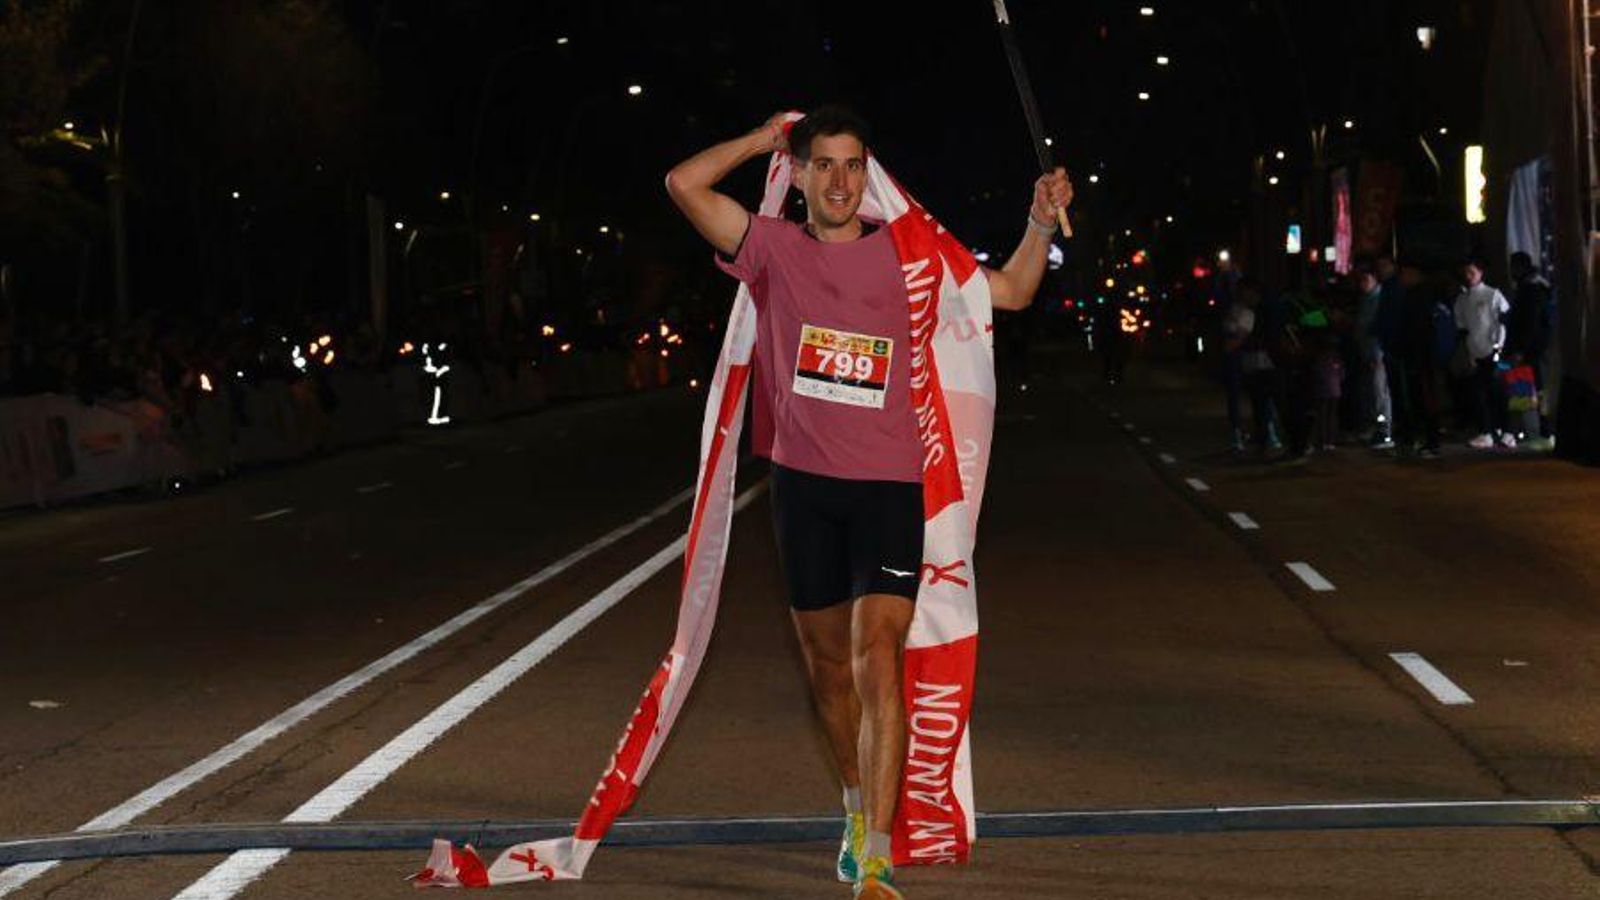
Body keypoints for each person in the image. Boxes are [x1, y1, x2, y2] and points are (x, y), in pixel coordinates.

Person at [664, 106, 1071, 900]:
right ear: (804, 174)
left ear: (869, 174)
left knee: (876, 657)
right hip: (803, 491)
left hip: (890, 488)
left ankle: (878, 854)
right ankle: (855, 803)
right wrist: (757, 140)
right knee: (827, 672)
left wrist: (1038, 218)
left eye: (854, 165)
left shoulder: (910, 255)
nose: (841, 181)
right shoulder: (771, 250)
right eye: (825, 166)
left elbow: (1016, 290)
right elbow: (683, 183)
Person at [1452, 256, 1513, 449]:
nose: (1469, 277)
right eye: (1466, 273)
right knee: (1479, 393)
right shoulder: (1462, 299)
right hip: (1475, 353)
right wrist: (1468, 354)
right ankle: (1487, 431)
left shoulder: (1492, 294)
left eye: (1473, 272)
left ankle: (1507, 431)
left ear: (1480, 273)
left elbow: (1502, 322)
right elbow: (1462, 328)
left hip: (1494, 351)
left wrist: (1498, 349)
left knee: (1499, 392)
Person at [1505, 251, 1555, 448]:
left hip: (1529, 350)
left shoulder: (1530, 290)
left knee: (1527, 390)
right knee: (1529, 390)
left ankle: (1539, 430)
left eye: (1514, 267)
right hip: (1534, 349)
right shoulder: (1536, 286)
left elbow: (1529, 323)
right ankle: (1529, 429)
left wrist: (1519, 349)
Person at [1353, 263, 1395, 448]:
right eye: (1361, 280)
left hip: (1378, 353)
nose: (1363, 283)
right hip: (1367, 351)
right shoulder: (1366, 298)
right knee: (1372, 392)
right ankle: (1376, 427)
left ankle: (1385, 432)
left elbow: (1376, 328)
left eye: (1366, 279)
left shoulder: (1380, 298)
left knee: (1380, 394)